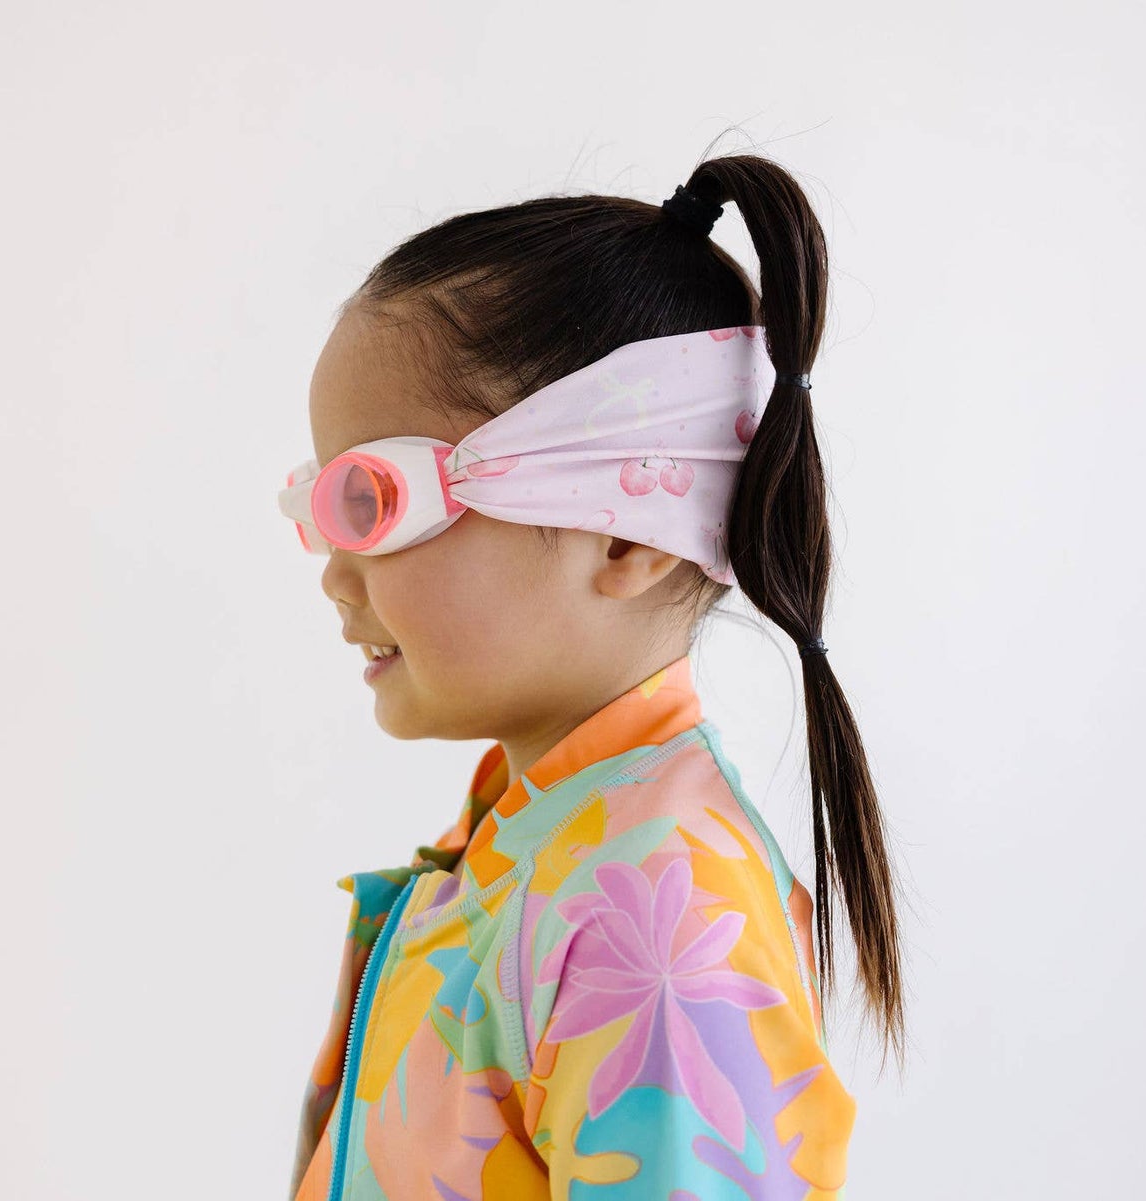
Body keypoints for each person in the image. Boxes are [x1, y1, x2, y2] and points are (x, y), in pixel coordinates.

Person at [276, 150, 904, 1200]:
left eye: (373, 502)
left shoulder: (657, 916)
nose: (336, 574)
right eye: (321, 505)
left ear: (625, 535)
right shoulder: (530, 843)